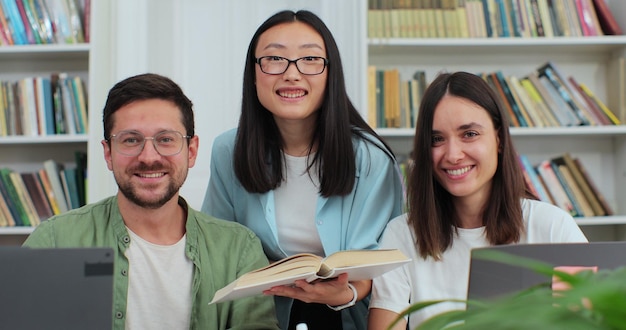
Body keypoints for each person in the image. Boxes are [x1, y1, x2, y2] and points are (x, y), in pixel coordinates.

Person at [23, 73, 280, 330]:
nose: (148, 157)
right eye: (131, 140)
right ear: (108, 153)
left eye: (166, 139)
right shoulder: (55, 241)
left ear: (191, 151)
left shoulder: (239, 251)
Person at [201, 10, 404, 330]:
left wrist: (342, 293)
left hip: (346, 316)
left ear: (330, 73)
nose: (292, 74)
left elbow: (381, 265)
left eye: (310, 59)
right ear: (253, 74)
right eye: (274, 59)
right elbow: (219, 248)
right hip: (259, 314)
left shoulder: (371, 158)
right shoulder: (229, 150)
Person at [367, 71, 589, 330]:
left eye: (469, 134)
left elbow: (589, 321)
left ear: (499, 139)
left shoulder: (552, 227)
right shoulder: (401, 236)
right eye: (437, 139)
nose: (452, 154)